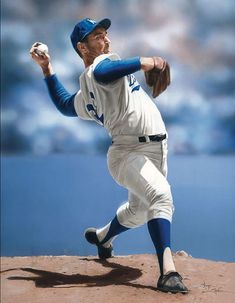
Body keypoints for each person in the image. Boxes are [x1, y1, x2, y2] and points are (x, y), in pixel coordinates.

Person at [30, 17, 188, 294]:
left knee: (139, 212)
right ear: (83, 47)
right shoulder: (99, 70)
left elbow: (66, 105)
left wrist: (47, 70)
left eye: (105, 34)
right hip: (129, 152)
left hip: (152, 150)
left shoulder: (89, 86)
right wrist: (147, 61)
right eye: (98, 36)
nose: (106, 39)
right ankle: (169, 272)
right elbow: (105, 71)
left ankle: (103, 238)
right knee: (161, 197)